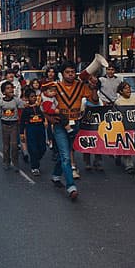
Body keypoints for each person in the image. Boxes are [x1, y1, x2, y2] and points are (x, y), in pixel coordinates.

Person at [44, 61, 99, 201]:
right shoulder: (54, 87)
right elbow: (43, 105)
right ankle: (71, 186)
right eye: (68, 72)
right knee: (66, 155)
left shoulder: (81, 86)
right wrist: (49, 118)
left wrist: (93, 88)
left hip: (76, 124)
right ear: (62, 73)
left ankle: (56, 176)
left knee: (65, 153)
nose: (70, 75)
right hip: (60, 125)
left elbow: (94, 100)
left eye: (73, 72)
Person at [0, 82, 24, 171]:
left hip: (14, 125)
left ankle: (15, 162)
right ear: (3, 92)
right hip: (5, 125)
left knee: (14, 145)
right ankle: (6, 161)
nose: (11, 90)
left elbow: (23, 105)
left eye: (11, 88)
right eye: (8, 88)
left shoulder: (16, 100)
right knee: (6, 146)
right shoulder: (1, 102)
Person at [114, 81, 135, 174]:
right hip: (123, 126)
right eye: (126, 88)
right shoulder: (118, 101)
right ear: (121, 91)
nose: (128, 90)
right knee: (126, 144)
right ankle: (129, 164)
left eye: (129, 88)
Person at [19, 88, 46, 176]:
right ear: (27, 98)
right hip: (31, 129)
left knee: (43, 148)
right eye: (31, 97)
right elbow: (22, 122)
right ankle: (35, 167)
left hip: (40, 129)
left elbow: (44, 116)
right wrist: (22, 133)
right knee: (33, 148)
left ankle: (36, 159)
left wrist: (45, 121)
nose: (34, 98)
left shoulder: (39, 107)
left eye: (35, 96)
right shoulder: (26, 110)